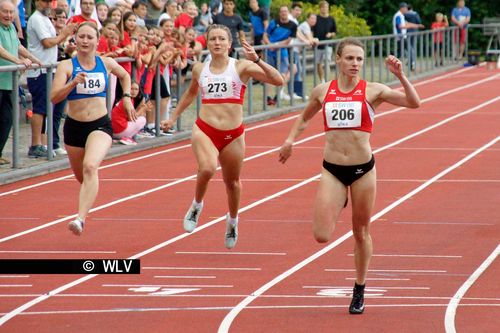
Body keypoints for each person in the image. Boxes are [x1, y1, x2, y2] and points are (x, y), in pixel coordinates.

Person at [278, 38, 421, 314]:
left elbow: (414, 103)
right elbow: (305, 118)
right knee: (321, 235)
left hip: (362, 170)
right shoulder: (323, 91)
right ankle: (340, 197)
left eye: (359, 59)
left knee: (360, 232)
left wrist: (401, 76)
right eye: (350, 59)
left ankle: (359, 289)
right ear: (338, 60)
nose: (355, 64)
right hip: (332, 169)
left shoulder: (373, 91)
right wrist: (289, 140)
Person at [161, 24, 283, 249]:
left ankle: (233, 221)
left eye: (221, 39)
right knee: (207, 168)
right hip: (205, 129)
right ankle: (197, 205)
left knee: (233, 183)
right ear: (207, 43)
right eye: (213, 39)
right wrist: (172, 117)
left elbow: (278, 81)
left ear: (229, 44)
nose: (217, 43)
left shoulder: (242, 67)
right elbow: (190, 94)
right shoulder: (200, 69)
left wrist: (257, 60)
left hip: (233, 134)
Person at [50, 22, 134, 235]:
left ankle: (80, 219)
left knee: (90, 167)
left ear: (98, 41)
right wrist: (72, 83)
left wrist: (126, 98)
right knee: (83, 178)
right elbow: (54, 97)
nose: (85, 41)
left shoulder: (105, 63)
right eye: (81, 37)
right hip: (74, 127)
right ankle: (89, 197)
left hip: (100, 125)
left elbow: (124, 75)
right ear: (75, 40)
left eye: (90, 37)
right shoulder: (66, 66)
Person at [0, 0, 41, 165]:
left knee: (7, 119)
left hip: (9, 82)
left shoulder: (10, 28)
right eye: (5, 12)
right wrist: (17, 61)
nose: (8, 15)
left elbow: (18, 46)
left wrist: (34, 58)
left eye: (11, 13)